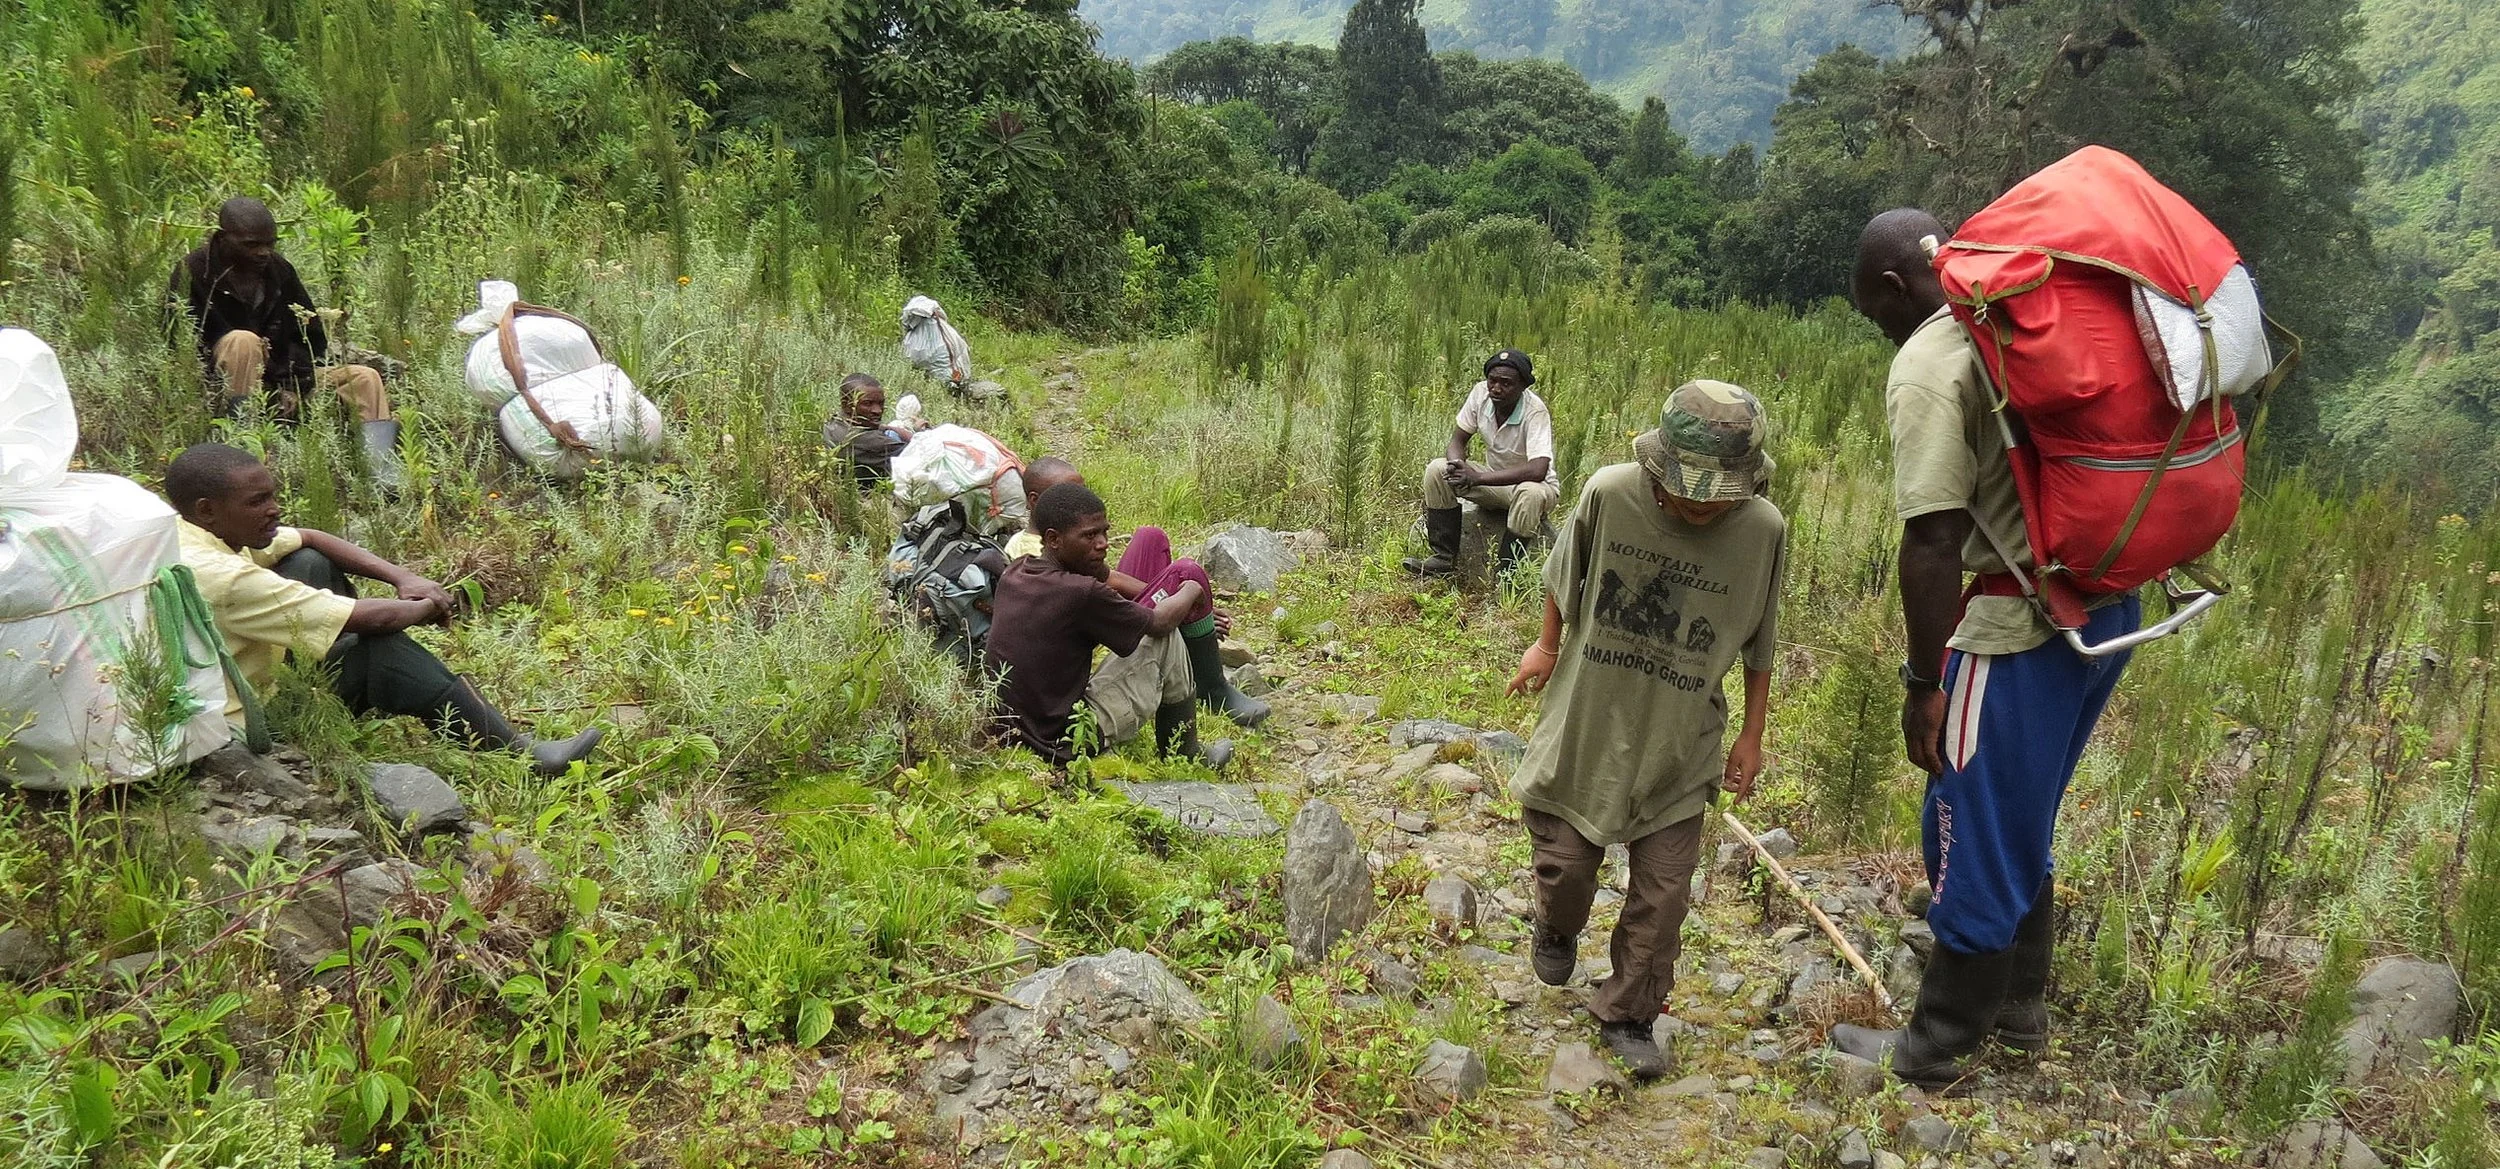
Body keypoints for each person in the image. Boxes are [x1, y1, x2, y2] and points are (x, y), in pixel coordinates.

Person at [1827, 209, 2141, 1090]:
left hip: (2019, 622)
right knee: (2021, 807)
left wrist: (1923, 681)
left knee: (1965, 819)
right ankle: (2016, 1007)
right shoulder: (2020, 319)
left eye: (1874, 312)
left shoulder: (1932, 358)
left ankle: (1937, 1043)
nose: (1881, 329)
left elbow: (1932, 537)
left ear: (1895, 285)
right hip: (2110, 606)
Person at [1503, 380, 1784, 1080]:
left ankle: (1630, 1010)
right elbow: (1562, 572)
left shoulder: (1762, 531)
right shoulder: (1610, 493)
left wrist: (1751, 734)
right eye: (1685, 489)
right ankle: (1558, 923)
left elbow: (1762, 640)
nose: (1697, 504)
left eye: (1715, 494)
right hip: (1591, 719)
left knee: (1664, 895)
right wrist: (1545, 643)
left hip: (1681, 741)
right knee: (1566, 861)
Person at [166, 443, 603, 776]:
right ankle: (518, 756)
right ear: (208, 511)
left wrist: (403, 578)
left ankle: (355, 690)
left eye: (272, 496)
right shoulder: (221, 576)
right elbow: (376, 619)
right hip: (239, 731)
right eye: (257, 501)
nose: (273, 509)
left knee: (308, 562)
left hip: (228, 687)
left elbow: (312, 536)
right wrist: (431, 603)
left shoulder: (184, 535)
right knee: (376, 650)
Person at [986, 482, 1237, 769]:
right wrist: (1192, 588)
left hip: (1013, 730)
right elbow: (1159, 623)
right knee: (1165, 637)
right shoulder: (1080, 593)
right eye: (1090, 535)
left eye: (1105, 531)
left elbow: (1107, 577)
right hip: (1064, 740)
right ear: (1054, 539)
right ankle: (1186, 752)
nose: (1103, 542)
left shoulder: (1017, 571)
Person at [1005, 457, 1268, 728]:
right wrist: (1188, 594)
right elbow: (1144, 617)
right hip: (1091, 635)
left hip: (1094, 617)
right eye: (1065, 494)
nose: (1103, 543)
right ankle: (1211, 694)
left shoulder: (1053, 556)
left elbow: (1109, 578)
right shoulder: (1029, 555)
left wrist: (1176, 600)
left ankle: (1197, 663)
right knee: (1186, 579)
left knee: (1150, 537)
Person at [170, 198, 402, 490]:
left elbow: (311, 337)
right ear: (222, 238)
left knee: (364, 378)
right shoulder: (193, 272)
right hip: (222, 384)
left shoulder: (278, 271)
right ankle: (243, 454)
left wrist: (289, 385)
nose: (263, 252)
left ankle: (383, 480)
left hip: (282, 379)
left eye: (270, 243)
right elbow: (177, 341)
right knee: (243, 341)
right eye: (251, 244)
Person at [1404, 349, 1562, 580]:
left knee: (1530, 492)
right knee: (1438, 469)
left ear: (1523, 386)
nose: (1496, 388)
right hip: (1496, 481)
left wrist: (1477, 477)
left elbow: (1538, 470)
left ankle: (1506, 574)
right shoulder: (1481, 394)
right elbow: (1457, 440)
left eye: (1506, 383)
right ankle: (1443, 558)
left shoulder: (1534, 411)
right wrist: (1458, 465)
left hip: (1532, 488)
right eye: (1492, 380)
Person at [821, 373, 915, 490]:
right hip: (870, 496)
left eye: (881, 403)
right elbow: (921, 455)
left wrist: (889, 428)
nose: (878, 410)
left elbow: (880, 427)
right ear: (847, 404)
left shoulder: (835, 422)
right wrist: (918, 433)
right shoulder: (867, 440)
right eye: (867, 403)